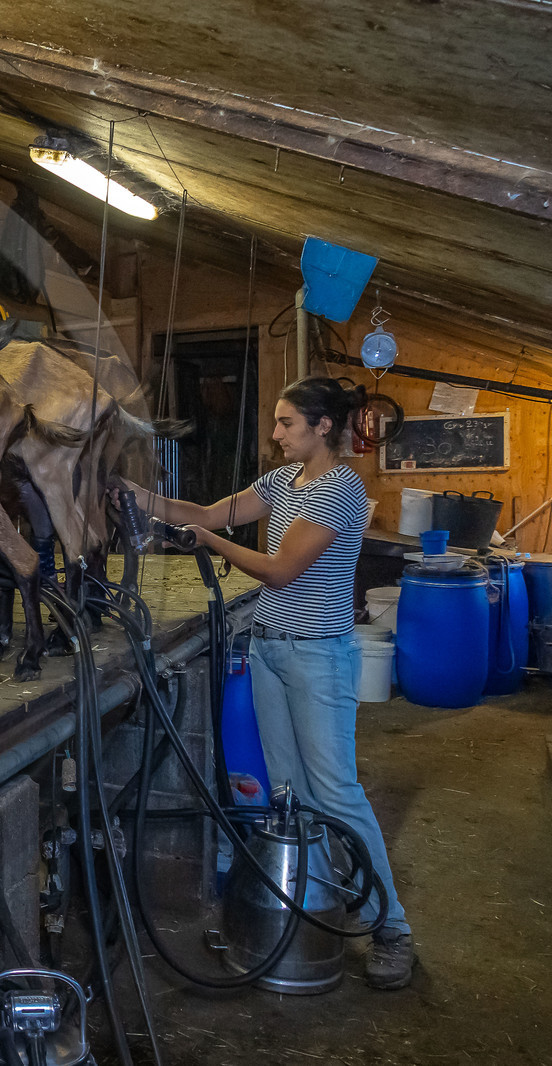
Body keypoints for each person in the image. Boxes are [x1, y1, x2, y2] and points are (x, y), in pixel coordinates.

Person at [123, 376, 414, 990]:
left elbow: (281, 571)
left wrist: (211, 544)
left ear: (322, 426)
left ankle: (391, 928)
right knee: (290, 792)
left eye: (287, 423)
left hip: (317, 656)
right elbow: (207, 513)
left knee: (335, 792)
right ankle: (320, 902)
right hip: (269, 649)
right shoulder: (283, 481)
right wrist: (132, 493)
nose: (276, 432)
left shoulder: (340, 489)